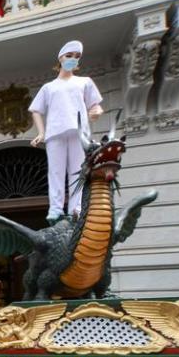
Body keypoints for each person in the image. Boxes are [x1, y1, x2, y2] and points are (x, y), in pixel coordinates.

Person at [29, 40, 104, 224]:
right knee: (55, 172)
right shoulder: (49, 87)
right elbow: (36, 109)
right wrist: (41, 132)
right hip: (55, 132)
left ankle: (75, 209)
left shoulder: (84, 82)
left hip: (79, 131)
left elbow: (96, 106)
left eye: (77, 57)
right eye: (69, 56)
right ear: (60, 58)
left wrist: (96, 112)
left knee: (77, 172)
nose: (72, 59)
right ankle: (55, 209)